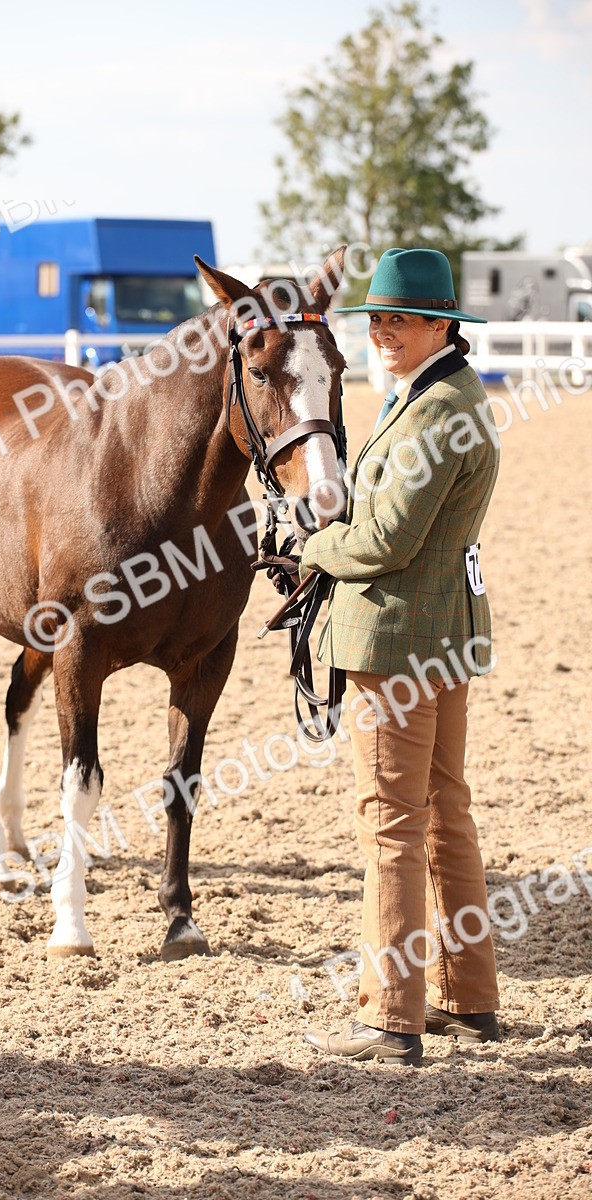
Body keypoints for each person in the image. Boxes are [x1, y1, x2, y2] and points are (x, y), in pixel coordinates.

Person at [300, 247, 501, 1066]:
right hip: (442, 633)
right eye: (377, 318)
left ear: (441, 325)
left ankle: (391, 1016)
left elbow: (385, 536)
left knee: (390, 821)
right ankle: (468, 997)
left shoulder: (435, 410)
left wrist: (314, 546)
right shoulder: (435, 392)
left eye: (401, 319)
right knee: (445, 813)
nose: (384, 331)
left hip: (400, 640)